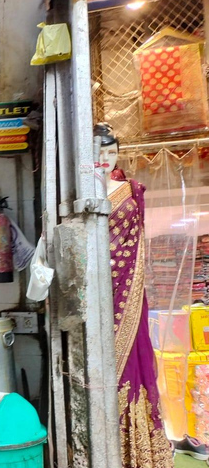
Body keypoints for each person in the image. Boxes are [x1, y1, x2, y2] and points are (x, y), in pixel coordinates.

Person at [94, 123, 172, 466]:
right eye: (100, 152)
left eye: (112, 152)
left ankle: (134, 447)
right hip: (94, 289)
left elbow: (137, 244)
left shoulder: (132, 189)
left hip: (125, 289)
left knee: (130, 361)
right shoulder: (80, 190)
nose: (106, 158)